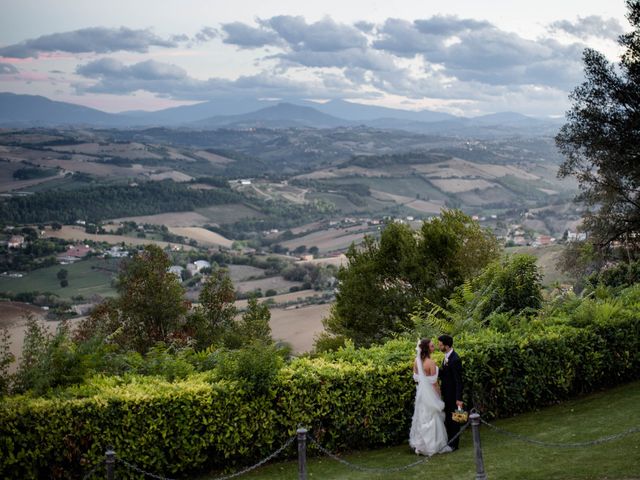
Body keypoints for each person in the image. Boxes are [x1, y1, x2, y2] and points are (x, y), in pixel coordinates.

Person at [409, 338, 450, 455]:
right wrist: (438, 394)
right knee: (432, 416)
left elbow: (416, 379)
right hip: (430, 392)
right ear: (427, 349)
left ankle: (421, 445)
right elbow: (434, 382)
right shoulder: (431, 363)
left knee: (422, 416)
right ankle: (433, 445)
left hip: (421, 393)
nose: (434, 347)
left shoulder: (416, 361)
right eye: (432, 346)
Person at [438, 334, 464, 451]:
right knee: (449, 419)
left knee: (455, 420)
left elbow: (459, 381)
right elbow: (445, 375)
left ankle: (455, 444)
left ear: (446, 346)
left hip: (454, 396)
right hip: (447, 394)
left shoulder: (455, 359)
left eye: (440, 344)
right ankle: (450, 441)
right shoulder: (446, 357)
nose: (439, 346)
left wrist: (459, 398)